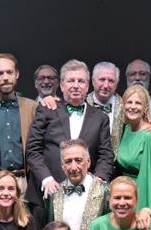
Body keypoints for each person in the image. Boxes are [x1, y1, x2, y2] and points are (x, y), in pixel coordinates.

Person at [25, 60, 115, 220]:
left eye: (81, 81)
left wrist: (98, 183)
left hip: (86, 196)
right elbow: (33, 150)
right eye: (71, 81)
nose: (75, 85)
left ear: (88, 86)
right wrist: (46, 179)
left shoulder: (100, 118)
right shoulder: (46, 110)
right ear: (61, 85)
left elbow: (106, 155)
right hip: (46, 194)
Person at [0, 52, 38, 200]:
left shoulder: (32, 107)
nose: (5, 77)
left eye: (9, 72)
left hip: (25, 181)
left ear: (17, 74)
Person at [112, 85, 151, 211]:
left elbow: (146, 177)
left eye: (138, 103)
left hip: (138, 197)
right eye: (129, 102)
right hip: (122, 195)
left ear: (145, 108)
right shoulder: (124, 129)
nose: (133, 106)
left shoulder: (149, 135)